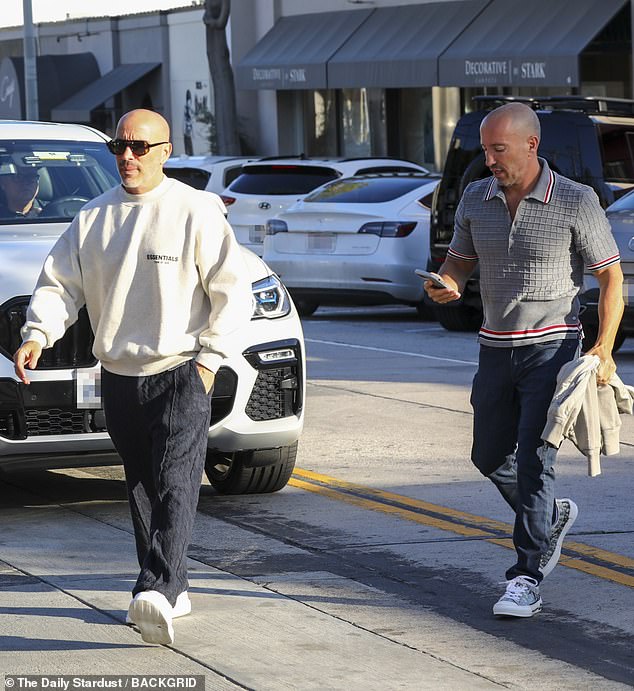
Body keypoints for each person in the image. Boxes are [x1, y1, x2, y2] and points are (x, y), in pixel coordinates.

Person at [13, 109, 253, 644]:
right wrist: (37, 335)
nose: (128, 156)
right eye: (120, 145)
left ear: (166, 151)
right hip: (118, 374)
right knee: (143, 483)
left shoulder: (195, 209)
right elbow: (59, 285)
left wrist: (209, 362)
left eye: (141, 147)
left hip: (181, 371)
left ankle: (157, 587)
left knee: (176, 481)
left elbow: (231, 291)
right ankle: (174, 585)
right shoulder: (94, 218)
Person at [424, 102, 624, 618]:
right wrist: (448, 286)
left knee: (536, 460)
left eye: (499, 149)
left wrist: (602, 347)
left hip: (552, 349)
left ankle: (526, 577)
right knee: (488, 455)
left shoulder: (577, 201)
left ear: (531, 145)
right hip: (494, 346)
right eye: (486, 149)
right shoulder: (476, 195)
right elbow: (459, 263)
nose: (489, 159)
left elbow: (610, 278)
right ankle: (549, 518)